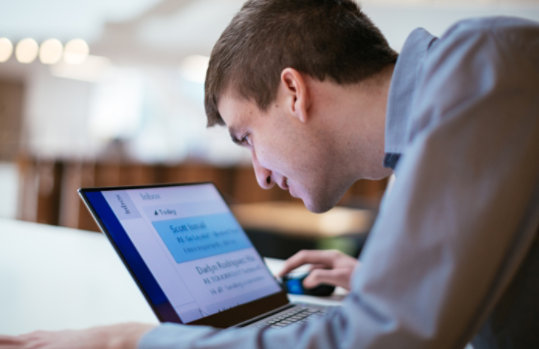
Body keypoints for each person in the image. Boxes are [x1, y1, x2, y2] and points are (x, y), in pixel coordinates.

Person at [1, 0, 538, 348]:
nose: (258, 174)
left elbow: (381, 344)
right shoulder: (448, 112)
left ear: (294, 92)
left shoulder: (482, 64)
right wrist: (398, 279)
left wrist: (129, 341)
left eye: (247, 137)